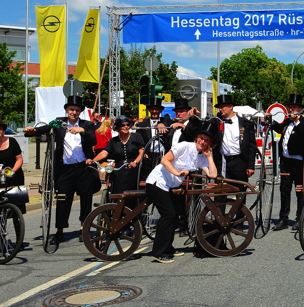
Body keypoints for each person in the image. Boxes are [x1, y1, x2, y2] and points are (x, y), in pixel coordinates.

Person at [26, 95, 99, 245]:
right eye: (71, 109)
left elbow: (93, 140)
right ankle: (59, 231)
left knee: (86, 199)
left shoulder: (87, 124)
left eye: (77, 110)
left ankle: (82, 228)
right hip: (65, 169)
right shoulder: (59, 122)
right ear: (67, 110)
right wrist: (32, 130)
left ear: (80, 112)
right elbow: (45, 128)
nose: (74, 112)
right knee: (63, 200)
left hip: (83, 168)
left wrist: (82, 131)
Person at [145, 125, 217, 263]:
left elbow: (212, 174)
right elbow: (164, 160)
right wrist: (177, 173)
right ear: (196, 139)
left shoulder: (201, 157)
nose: (203, 142)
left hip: (169, 186)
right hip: (157, 182)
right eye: (201, 139)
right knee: (169, 215)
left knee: (174, 216)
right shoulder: (184, 146)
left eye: (207, 141)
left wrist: (210, 157)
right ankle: (158, 252)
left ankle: (167, 248)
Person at [270, 94, 304, 231]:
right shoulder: (286, 122)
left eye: (294, 108)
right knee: (284, 190)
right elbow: (277, 127)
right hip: (285, 161)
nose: (291, 110)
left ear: (300, 109)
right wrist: (270, 119)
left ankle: (299, 219)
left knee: (300, 191)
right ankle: (283, 219)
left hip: (299, 162)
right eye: (290, 108)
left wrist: (303, 115)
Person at [88, 116, 145, 195]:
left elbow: (142, 152)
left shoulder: (136, 136)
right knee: (119, 191)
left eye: (128, 125)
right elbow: (104, 152)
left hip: (135, 169)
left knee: (134, 192)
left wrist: (135, 162)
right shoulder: (113, 141)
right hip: (119, 170)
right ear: (117, 127)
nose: (126, 127)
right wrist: (93, 160)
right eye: (123, 125)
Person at [208, 94, 258, 183]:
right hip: (222, 161)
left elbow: (252, 146)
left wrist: (250, 166)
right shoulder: (216, 121)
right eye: (219, 107)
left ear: (230, 107)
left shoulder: (245, 123)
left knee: (240, 190)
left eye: (223, 107)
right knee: (219, 191)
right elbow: (203, 131)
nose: (220, 109)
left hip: (239, 161)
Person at [138, 97, 172, 180]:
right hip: (148, 155)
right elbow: (140, 140)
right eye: (152, 109)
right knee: (147, 177)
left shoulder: (166, 120)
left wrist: (161, 124)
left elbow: (169, 122)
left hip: (163, 154)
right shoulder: (142, 124)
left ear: (160, 111)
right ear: (149, 110)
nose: (154, 111)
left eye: (156, 109)